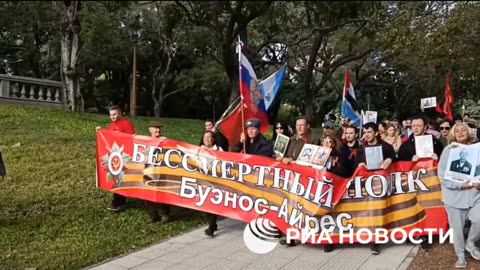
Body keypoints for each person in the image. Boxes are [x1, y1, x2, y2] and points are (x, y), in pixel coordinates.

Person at [437, 122, 480, 268]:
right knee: (457, 229)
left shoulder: (477, 149)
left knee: (478, 219)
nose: (461, 132)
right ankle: (460, 255)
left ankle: (471, 243)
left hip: (475, 194)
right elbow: (442, 176)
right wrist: (460, 185)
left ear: (469, 132)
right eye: (457, 131)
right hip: (453, 197)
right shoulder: (448, 150)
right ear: (453, 134)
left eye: (464, 130)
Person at [397, 116, 444, 250]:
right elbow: (399, 164)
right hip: (413, 184)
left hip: (432, 185)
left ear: (425, 126)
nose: (416, 128)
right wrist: (410, 160)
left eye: (419, 125)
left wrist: (438, 157)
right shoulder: (406, 144)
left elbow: (445, 159)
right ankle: (414, 232)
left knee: (430, 208)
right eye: (414, 126)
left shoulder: (435, 142)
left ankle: (429, 233)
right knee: (413, 207)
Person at [354, 122, 396, 255]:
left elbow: (394, 158)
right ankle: (372, 239)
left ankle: (376, 242)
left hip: (381, 186)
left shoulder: (386, 146)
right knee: (371, 212)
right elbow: (357, 162)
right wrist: (360, 163)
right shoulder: (361, 148)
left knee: (379, 213)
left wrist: (389, 159)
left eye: (369, 132)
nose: (367, 135)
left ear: (376, 133)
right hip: (367, 186)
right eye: (365, 132)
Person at [96, 105, 136, 212]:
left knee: (119, 179)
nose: (112, 117)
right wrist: (101, 132)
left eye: (114, 114)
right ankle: (118, 200)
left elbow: (132, 139)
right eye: (111, 115)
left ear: (120, 113)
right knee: (116, 178)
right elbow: (107, 138)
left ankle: (119, 202)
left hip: (124, 157)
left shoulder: (126, 124)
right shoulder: (112, 125)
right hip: (115, 157)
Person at [143, 121, 170, 223]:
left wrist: (166, 143)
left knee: (162, 193)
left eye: (159, 128)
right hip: (149, 172)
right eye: (155, 128)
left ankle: (165, 214)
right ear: (150, 129)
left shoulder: (164, 140)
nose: (158, 130)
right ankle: (153, 215)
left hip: (161, 172)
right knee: (148, 195)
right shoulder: (145, 141)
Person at [201, 130, 224, 236]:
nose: (206, 139)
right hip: (202, 181)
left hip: (215, 181)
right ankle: (213, 224)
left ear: (213, 139)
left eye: (209, 137)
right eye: (205, 137)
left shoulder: (219, 150)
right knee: (205, 204)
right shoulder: (199, 149)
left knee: (213, 204)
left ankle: (211, 227)